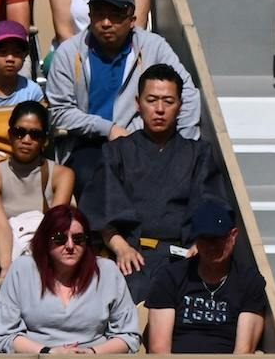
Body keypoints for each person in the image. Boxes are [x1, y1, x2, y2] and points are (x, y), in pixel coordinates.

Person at [90, 66, 232, 289]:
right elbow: (100, 211)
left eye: (168, 101)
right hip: (132, 255)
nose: (159, 109)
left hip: (184, 256)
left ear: (180, 106)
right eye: (152, 100)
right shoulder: (116, 152)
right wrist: (120, 247)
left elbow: (213, 205)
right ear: (138, 103)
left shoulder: (198, 154)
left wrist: (201, 244)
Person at [44, 0, 187, 195]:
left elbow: (187, 93)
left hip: (142, 137)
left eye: (116, 15)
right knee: (91, 177)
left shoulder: (153, 46)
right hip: (87, 143)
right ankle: (109, 229)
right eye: (99, 14)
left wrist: (186, 140)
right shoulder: (68, 52)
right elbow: (60, 113)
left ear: (132, 20)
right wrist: (109, 129)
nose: (106, 22)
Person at [0, 201, 141, 351]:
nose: (70, 246)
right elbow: (2, 333)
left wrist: (92, 353)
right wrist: (48, 352)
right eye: (60, 239)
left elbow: (128, 334)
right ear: (45, 240)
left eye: (78, 238)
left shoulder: (107, 271)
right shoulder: (22, 269)